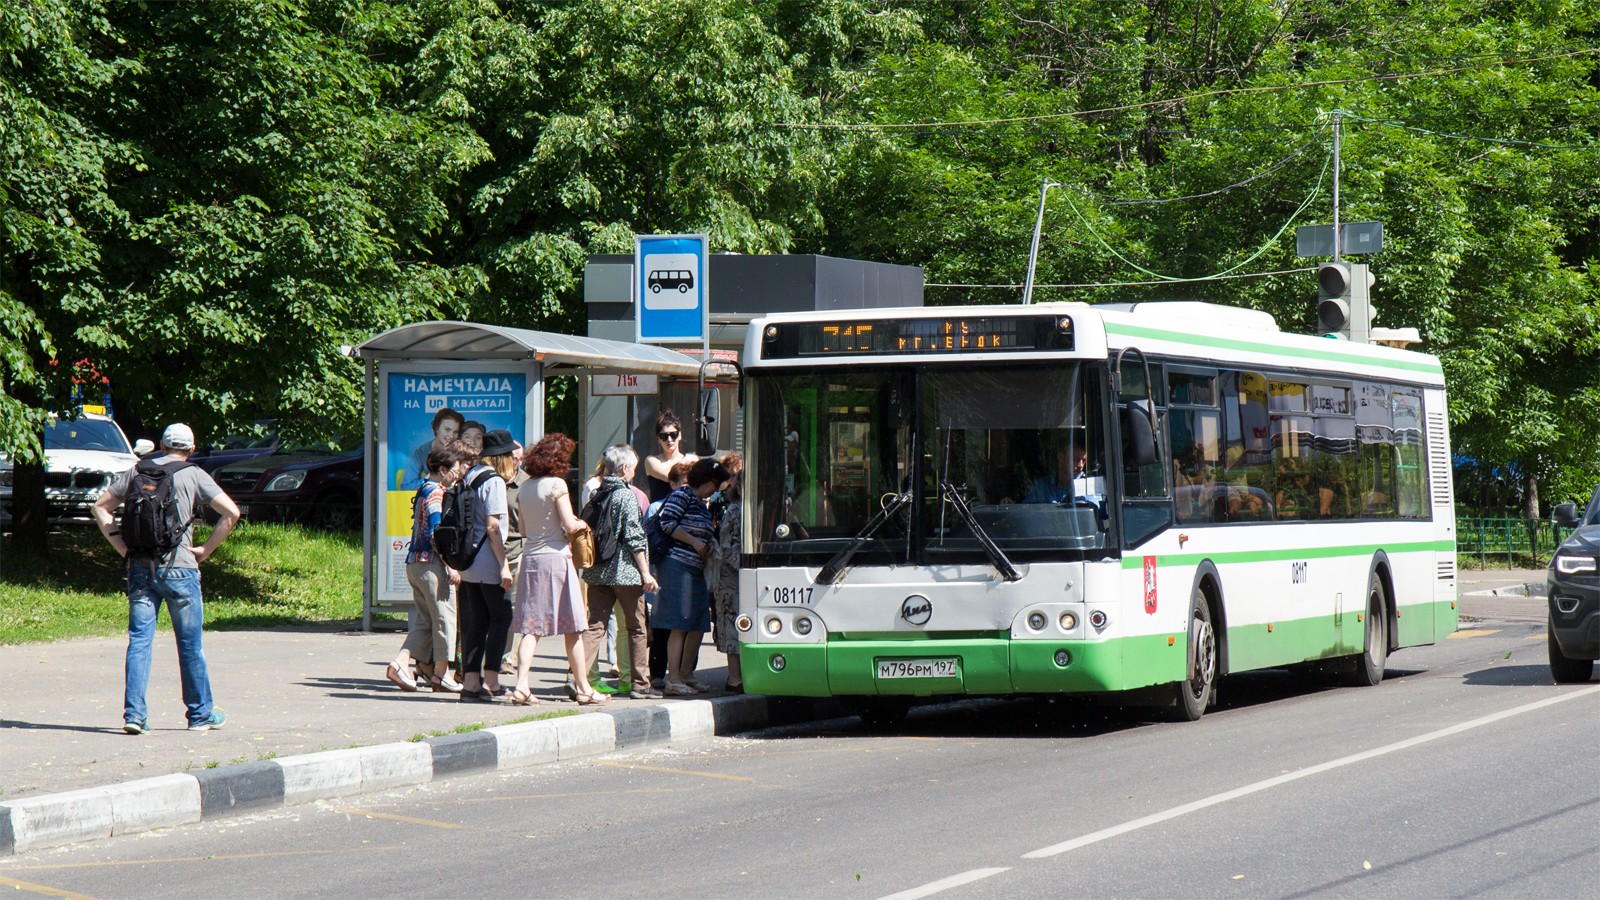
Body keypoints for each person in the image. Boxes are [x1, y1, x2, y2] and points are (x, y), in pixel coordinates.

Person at [92, 423, 240, 734]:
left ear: (161, 444)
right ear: (192, 449)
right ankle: (200, 716)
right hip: (181, 569)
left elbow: (100, 508)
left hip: (140, 568)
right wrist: (205, 550)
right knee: (190, 645)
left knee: (139, 643)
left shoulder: (136, 472)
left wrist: (121, 547)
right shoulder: (195, 474)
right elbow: (231, 513)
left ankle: (134, 716)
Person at [510, 433, 607, 705]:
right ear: (560, 459)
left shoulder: (525, 487)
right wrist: (582, 523)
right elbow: (568, 524)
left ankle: (521, 686)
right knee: (574, 627)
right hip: (556, 559)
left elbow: (525, 530)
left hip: (530, 558)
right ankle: (584, 688)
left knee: (531, 628)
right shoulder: (557, 485)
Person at [580, 444, 661, 700]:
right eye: (633, 469)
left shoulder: (598, 492)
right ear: (624, 468)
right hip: (625, 573)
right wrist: (646, 573)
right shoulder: (626, 495)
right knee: (636, 627)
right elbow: (635, 537)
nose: (633, 474)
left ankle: (580, 681)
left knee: (594, 627)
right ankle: (639, 684)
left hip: (597, 573)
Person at [389, 445, 468, 692]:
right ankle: (442, 675)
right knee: (446, 619)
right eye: (454, 470)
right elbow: (436, 533)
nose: (457, 474)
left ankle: (400, 663)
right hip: (431, 565)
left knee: (425, 622)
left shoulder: (422, 488)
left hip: (414, 562)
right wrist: (450, 566)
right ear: (442, 469)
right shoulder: (436, 493)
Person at [652, 457, 730, 695]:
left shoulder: (699, 502)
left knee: (698, 622)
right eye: (715, 484)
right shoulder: (682, 495)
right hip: (676, 565)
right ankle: (673, 678)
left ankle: (686, 674)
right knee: (679, 622)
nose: (716, 490)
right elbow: (667, 523)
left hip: (695, 567)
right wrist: (696, 542)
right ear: (704, 480)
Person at [455, 430, 515, 702]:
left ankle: (470, 682)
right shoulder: (494, 482)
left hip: (468, 560)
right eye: (511, 455)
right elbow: (493, 528)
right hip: (488, 560)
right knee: (501, 617)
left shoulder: (469, 475)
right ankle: (491, 680)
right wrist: (504, 565)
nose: (515, 460)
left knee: (477, 621)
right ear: (502, 457)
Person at [646, 460, 692, 687]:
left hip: (684, 570)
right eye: (682, 484)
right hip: (663, 568)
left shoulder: (694, 505)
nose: (687, 488)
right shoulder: (656, 507)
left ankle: (684, 672)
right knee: (662, 622)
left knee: (682, 623)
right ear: (672, 484)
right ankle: (657, 673)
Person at [706, 452, 744, 693]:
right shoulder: (734, 510)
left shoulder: (751, 509)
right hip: (732, 578)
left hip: (744, 577)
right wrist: (749, 565)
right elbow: (727, 546)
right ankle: (734, 679)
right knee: (732, 625)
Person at [403, 408, 464, 490]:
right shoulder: (421, 452)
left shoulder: (461, 451)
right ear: (436, 428)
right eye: (447, 430)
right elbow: (405, 487)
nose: (451, 436)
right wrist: (431, 477)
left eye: (455, 432)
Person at [643, 410, 697, 504]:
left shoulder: (691, 459)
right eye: (664, 436)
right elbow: (671, 477)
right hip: (661, 513)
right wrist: (687, 461)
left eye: (673, 435)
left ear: (679, 435)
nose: (669, 440)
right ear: (658, 439)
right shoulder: (652, 460)